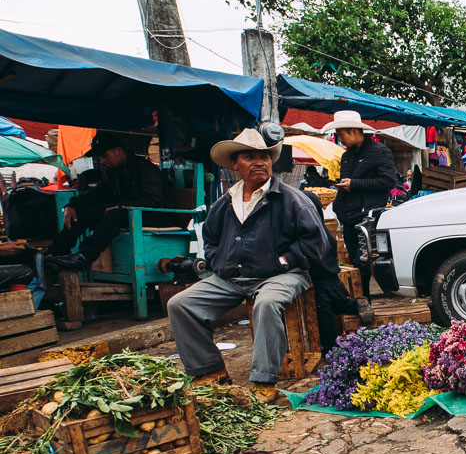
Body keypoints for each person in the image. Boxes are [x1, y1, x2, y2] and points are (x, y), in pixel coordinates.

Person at [166, 129, 328, 404]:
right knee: (180, 304)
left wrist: (281, 261)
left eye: (264, 157)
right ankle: (210, 372)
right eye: (249, 157)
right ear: (235, 164)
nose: (259, 162)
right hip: (234, 277)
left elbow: (316, 245)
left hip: (282, 275)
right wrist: (220, 263)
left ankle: (264, 381)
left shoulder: (291, 199)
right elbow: (212, 242)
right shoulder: (224, 203)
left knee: (266, 304)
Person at [45, 132, 178, 270]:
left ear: (118, 151)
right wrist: (72, 206)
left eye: (105, 156)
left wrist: (120, 207)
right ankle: (55, 252)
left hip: (157, 216)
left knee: (114, 215)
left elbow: (153, 200)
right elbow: (96, 194)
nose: (102, 161)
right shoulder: (114, 172)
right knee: (83, 212)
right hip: (129, 213)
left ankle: (85, 256)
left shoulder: (146, 170)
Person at [324, 110, 397, 314]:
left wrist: (354, 184)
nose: (340, 139)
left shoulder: (380, 151)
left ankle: (366, 304)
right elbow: (348, 184)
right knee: (356, 264)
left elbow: (388, 181)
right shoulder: (346, 156)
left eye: (341, 134)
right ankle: (361, 304)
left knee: (363, 262)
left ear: (355, 131)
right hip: (348, 216)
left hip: (368, 218)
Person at [298, 189, 373, 353]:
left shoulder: (310, 233)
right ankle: (356, 304)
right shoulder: (321, 229)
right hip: (332, 277)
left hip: (321, 279)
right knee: (340, 304)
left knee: (324, 312)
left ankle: (329, 347)